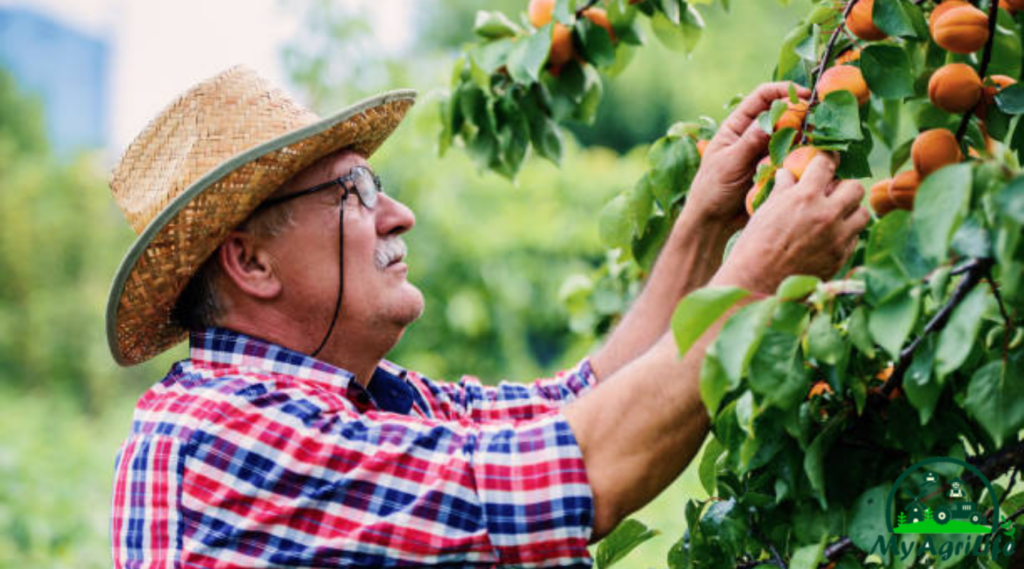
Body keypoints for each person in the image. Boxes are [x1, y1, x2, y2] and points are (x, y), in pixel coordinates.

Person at [108, 66, 868, 568]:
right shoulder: (220, 436)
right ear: (251, 262)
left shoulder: (358, 402)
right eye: (357, 194)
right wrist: (759, 278)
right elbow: (574, 474)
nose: (398, 215)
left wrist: (704, 224)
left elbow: (580, 403)